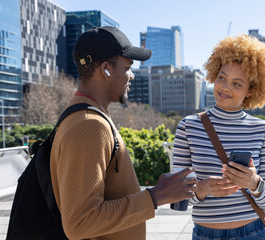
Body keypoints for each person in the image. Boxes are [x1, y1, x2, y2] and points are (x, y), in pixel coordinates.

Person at [50, 26, 197, 240]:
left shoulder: (87, 117)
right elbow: (80, 222)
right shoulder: (88, 125)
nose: (132, 75)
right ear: (106, 69)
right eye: (128, 67)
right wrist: (156, 196)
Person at [172, 34, 265, 239]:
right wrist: (203, 188)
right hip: (205, 235)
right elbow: (178, 199)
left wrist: (254, 183)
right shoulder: (188, 126)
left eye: (237, 84)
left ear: (251, 90)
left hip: (255, 233)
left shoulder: (264, 130)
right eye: (222, 78)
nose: (225, 87)